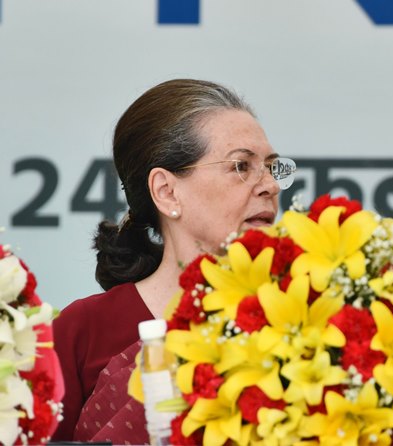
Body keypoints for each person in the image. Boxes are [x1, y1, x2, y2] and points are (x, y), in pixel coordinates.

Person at [52, 79, 296, 442]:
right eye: (241, 166)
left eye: (272, 168)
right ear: (166, 191)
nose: (270, 186)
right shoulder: (82, 332)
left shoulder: (302, 318)